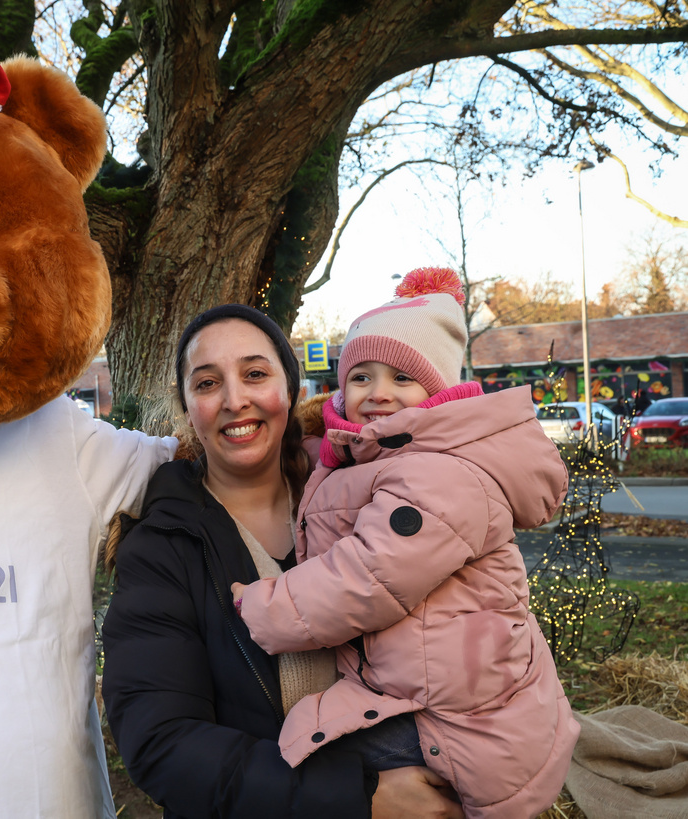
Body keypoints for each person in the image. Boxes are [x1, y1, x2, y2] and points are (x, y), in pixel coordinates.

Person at [233, 269, 580, 819]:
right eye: (362, 377)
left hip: (455, 719)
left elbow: (369, 576)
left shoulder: (440, 475)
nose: (379, 394)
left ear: (440, 394)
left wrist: (264, 605)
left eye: (401, 377)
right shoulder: (384, 456)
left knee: (306, 766)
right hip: (426, 690)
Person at [101, 303, 466, 818]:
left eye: (255, 374)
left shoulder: (371, 502)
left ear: (289, 390)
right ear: (187, 408)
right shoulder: (162, 548)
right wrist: (360, 798)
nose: (235, 399)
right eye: (207, 384)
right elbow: (162, 741)